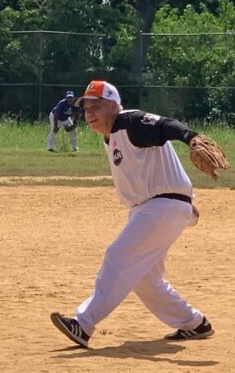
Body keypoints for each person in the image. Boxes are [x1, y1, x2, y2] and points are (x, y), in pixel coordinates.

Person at [50, 80, 215, 349]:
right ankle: (194, 323)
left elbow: (165, 125)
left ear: (114, 105)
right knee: (144, 277)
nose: (89, 112)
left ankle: (83, 323)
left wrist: (191, 137)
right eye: (86, 107)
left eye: (97, 106)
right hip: (157, 208)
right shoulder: (113, 134)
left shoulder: (130, 122)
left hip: (160, 207)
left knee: (118, 256)